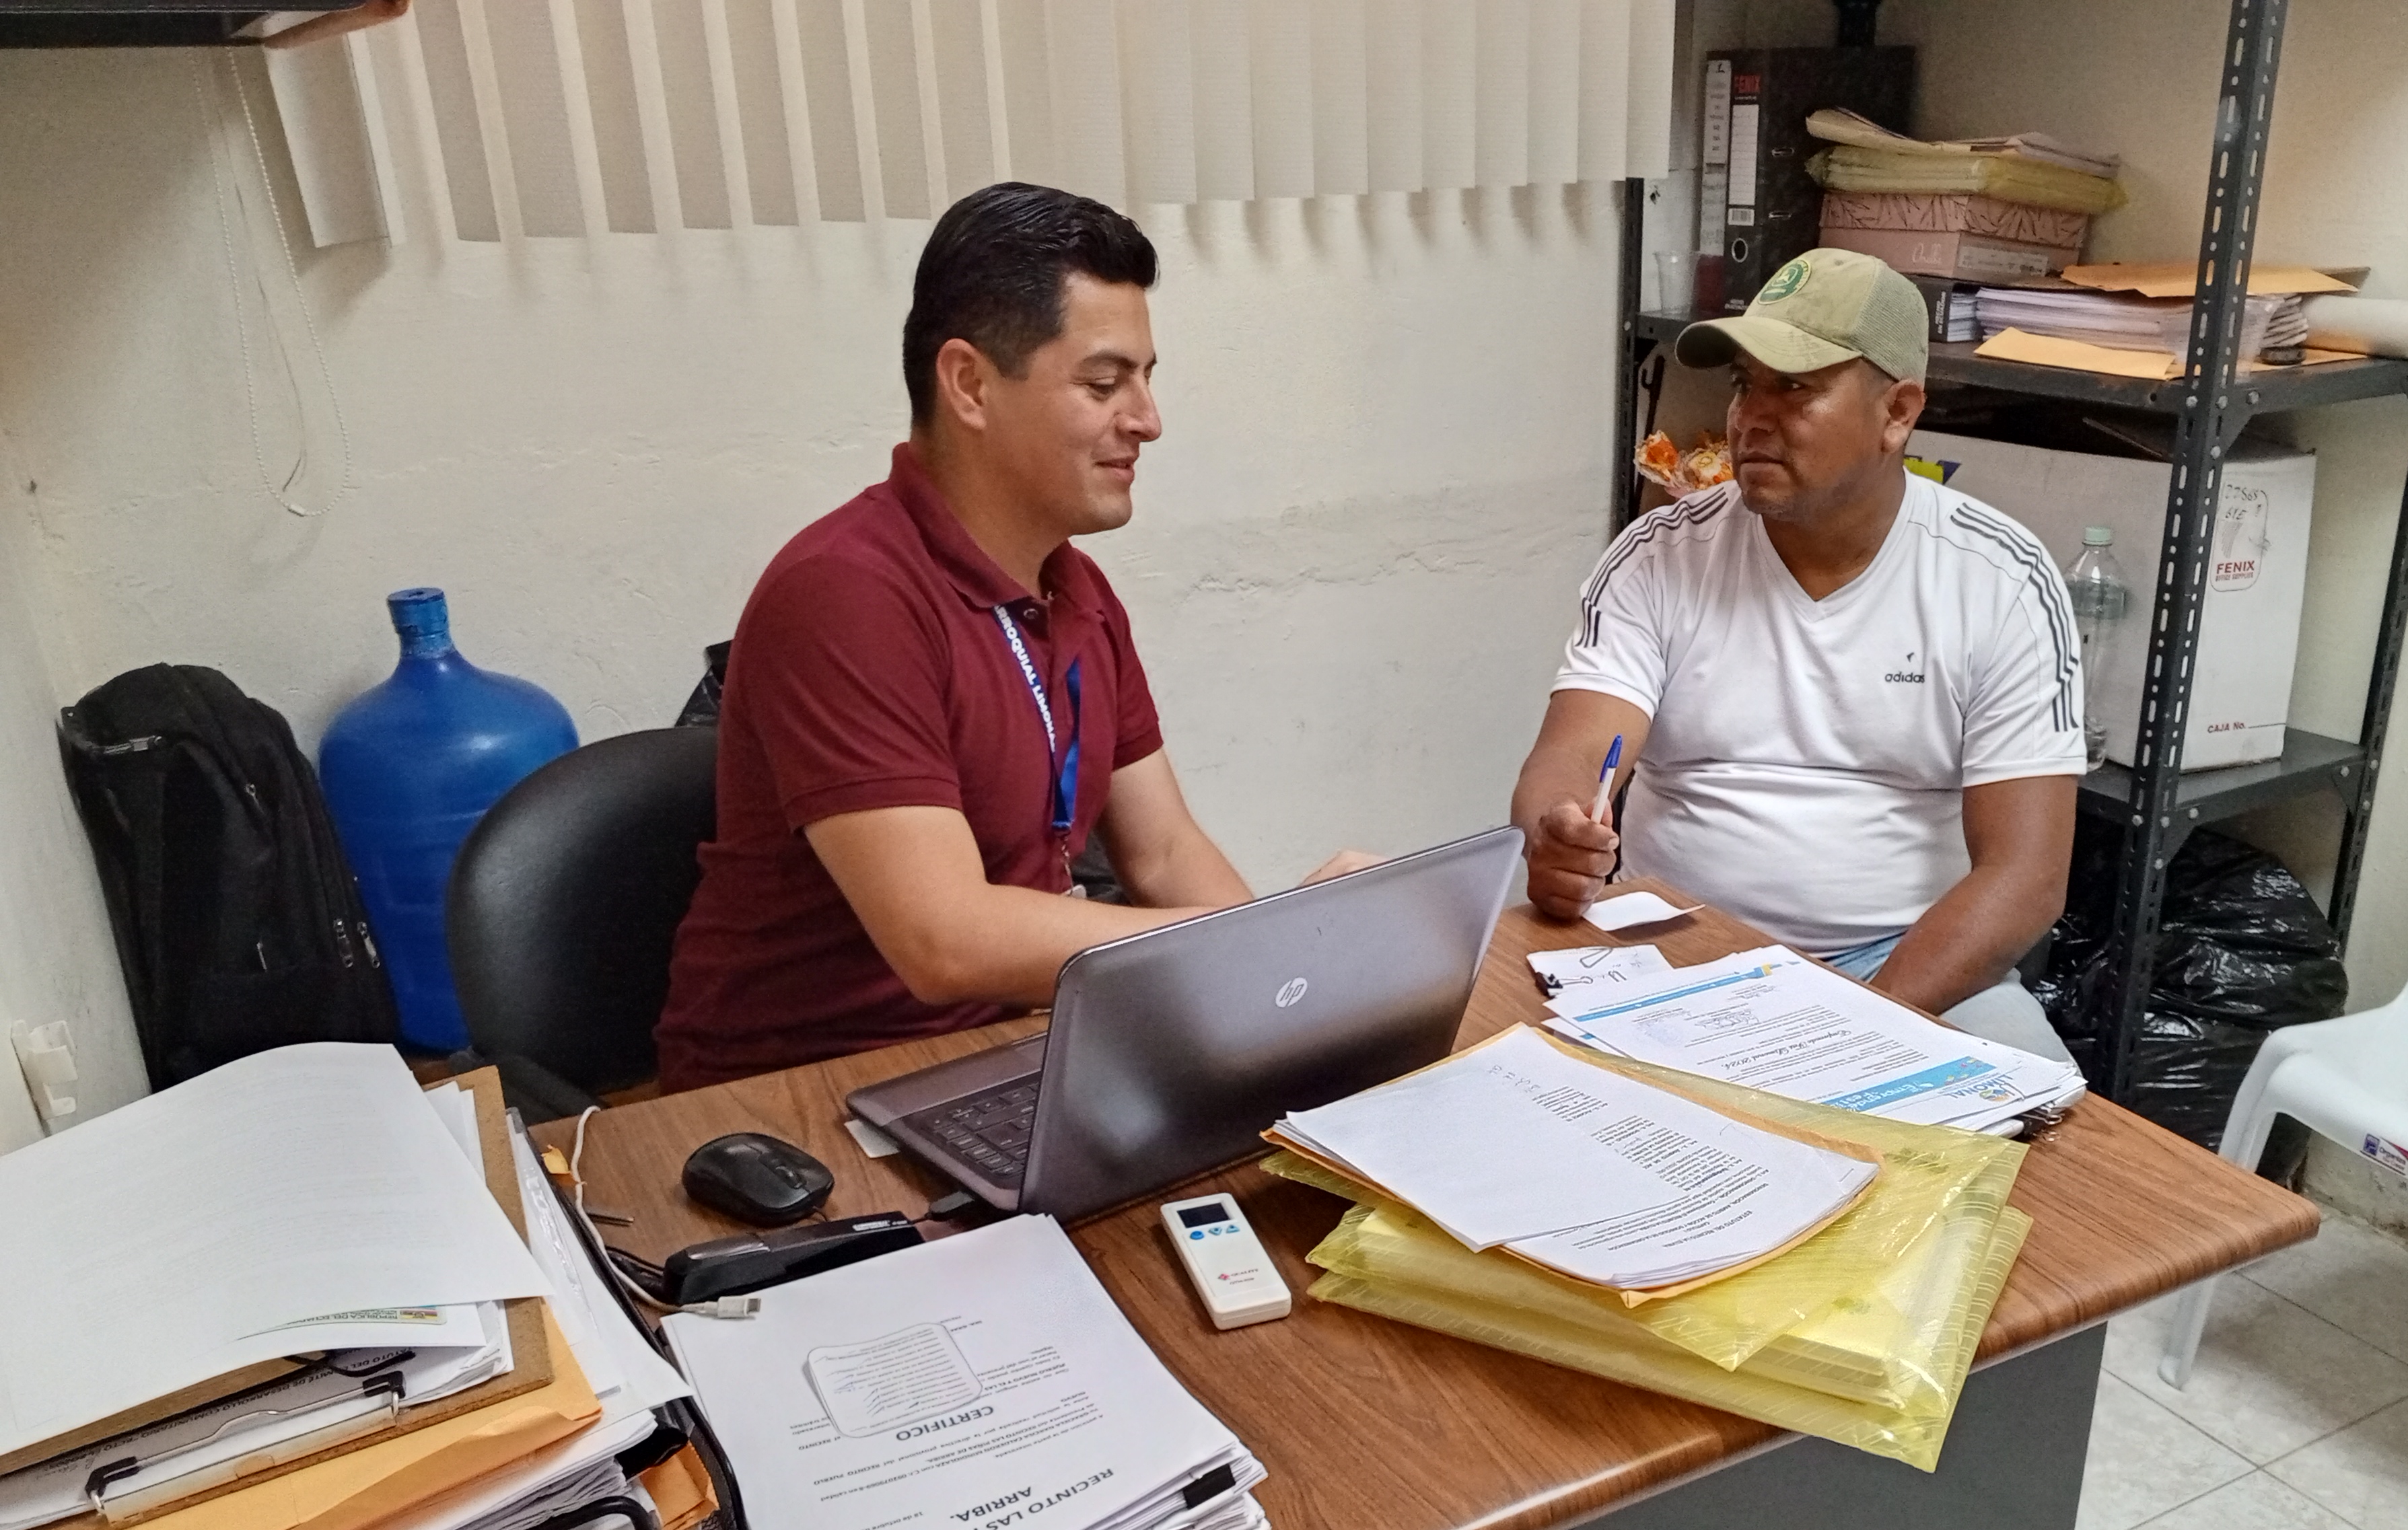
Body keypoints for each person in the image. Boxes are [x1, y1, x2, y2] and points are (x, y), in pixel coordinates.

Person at [659, 182, 1370, 1091]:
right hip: (800, 1095)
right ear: (970, 385)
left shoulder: (1076, 589)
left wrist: (1276, 986)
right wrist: (1242, 945)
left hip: (1006, 1052)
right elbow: (944, 941)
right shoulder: (845, 593)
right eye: (1104, 384)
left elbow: (1162, 851)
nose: (1147, 420)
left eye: (1147, 379)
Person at [1508, 248, 2085, 1064]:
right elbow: (1569, 758)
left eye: (1793, 386)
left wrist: (1851, 1030)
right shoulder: (1659, 555)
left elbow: (2025, 878)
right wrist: (1557, 832)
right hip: (1673, 944)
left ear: (1897, 412)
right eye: (1744, 383)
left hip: (1908, 961)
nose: (1750, 417)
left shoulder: (1998, 578)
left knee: (2047, 1130)